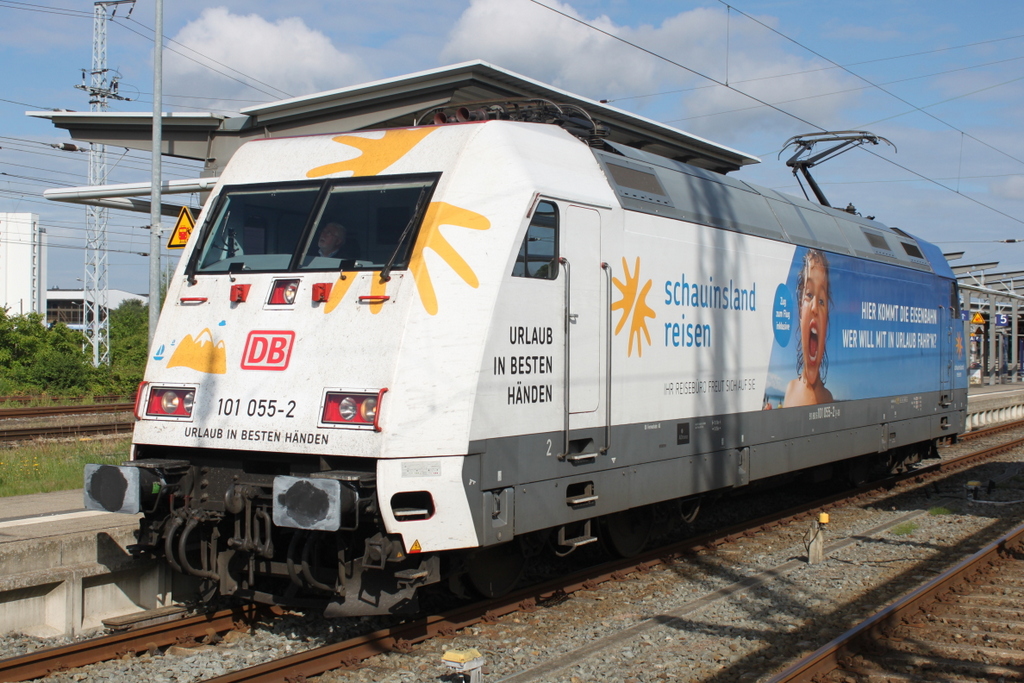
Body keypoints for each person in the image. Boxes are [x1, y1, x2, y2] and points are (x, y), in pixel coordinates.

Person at [783, 249, 834, 407]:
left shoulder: (827, 399)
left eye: (821, 302)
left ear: (826, 323)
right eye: (809, 295)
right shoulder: (790, 389)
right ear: (800, 310)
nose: (814, 308)